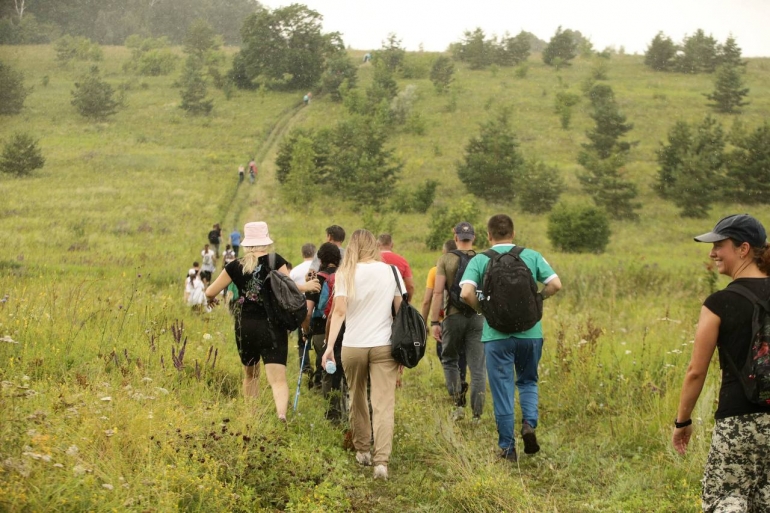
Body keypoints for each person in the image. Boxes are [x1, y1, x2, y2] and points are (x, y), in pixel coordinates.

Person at [673, 214, 770, 512]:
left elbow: (695, 372)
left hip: (738, 419)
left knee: (728, 499)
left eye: (719, 245)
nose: (712, 252)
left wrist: (683, 421)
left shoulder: (720, 303)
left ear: (743, 249)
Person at [460, 214, 562, 461]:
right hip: (530, 334)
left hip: (496, 336)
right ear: (513, 234)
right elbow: (555, 284)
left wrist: (483, 309)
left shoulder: (481, 259)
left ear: (488, 235)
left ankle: (507, 449)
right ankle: (529, 423)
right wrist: (538, 299)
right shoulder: (531, 255)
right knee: (528, 382)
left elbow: (465, 293)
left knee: (502, 389)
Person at [205, 222, 320, 420]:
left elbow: (210, 291)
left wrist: (211, 300)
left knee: (250, 375)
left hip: (246, 325)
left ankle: (252, 415)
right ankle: (281, 414)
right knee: (278, 379)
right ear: (265, 241)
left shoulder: (234, 265)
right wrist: (307, 286)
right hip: (272, 325)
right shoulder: (276, 260)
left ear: (246, 243)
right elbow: (289, 287)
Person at [322, 229, 405, 480]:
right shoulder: (391, 271)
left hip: (353, 345)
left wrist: (329, 347)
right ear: (374, 246)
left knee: (356, 396)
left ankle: (362, 451)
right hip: (384, 345)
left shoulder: (345, 273)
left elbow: (339, 312)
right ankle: (381, 462)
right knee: (383, 403)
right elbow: (400, 311)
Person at [431, 222, 485, 422]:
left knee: (450, 360)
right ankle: (477, 415)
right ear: (474, 238)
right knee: (478, 367)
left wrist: (435, 322)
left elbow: (438, 293)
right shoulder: (483, 259)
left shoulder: (445, 259)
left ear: (455, 238)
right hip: (478, 318)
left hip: (453, 316)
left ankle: (458, 405)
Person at [303, 243, 345, 420]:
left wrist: (305, 330)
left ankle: (331, 413)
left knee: (328, 370)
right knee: (343, 370)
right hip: (345, 329)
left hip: (321, 330)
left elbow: (308, 311)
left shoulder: (317, 280)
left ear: (320, 259)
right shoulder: (345, 277)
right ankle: (346, 409)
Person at [290, 243, 317, 381]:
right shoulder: (317, 268)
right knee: (319, 340)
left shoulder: (294, 271)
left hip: (301, 310)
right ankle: (320, 370)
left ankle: (305, 367)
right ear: (315, 253)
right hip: (317, 310)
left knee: (303, 340)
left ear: (303, 254)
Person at [377, 233, 414, 302]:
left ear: (378, 244)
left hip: (376, 301)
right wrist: (407, 302)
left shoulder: (372, 260)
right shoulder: (402, 261)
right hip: (396, 302)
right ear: (392, 244)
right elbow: (410, 285)